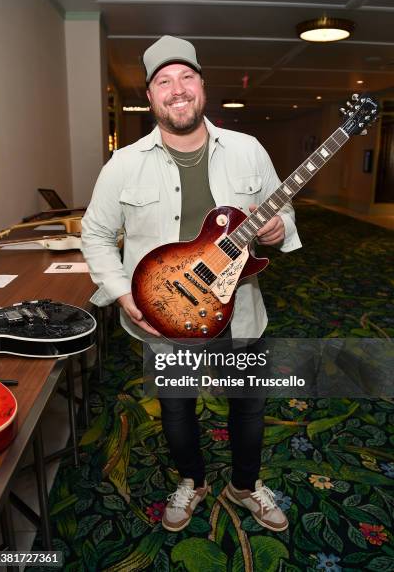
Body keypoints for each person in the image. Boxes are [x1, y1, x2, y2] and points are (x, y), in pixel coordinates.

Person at [81, 35, 302, 533]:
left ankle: (244, 486)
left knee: (249, 408)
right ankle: (192, 482)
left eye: (186, 78)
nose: (176, 89)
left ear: (203, 87)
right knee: (178, 413)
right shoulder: (124, 164)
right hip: (165, 313)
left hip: (238, 309)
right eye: (164, 81)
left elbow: (283, 207)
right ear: (151, 95)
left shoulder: (247, 151)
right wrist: (121, 293)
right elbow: (94, 235)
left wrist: (278, 227)